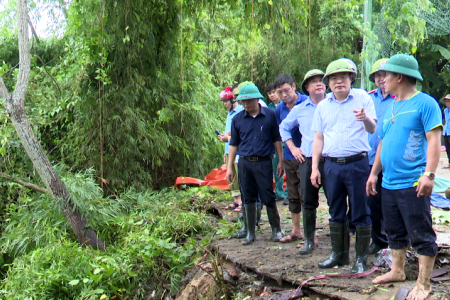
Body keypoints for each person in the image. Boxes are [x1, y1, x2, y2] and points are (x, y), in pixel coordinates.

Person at [367, 54, 442, 300]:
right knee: (394, 231)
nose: (381, 80)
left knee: (421, 233)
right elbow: (382, 143)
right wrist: (374, 173)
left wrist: (429, 175)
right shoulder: (391, 106)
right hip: (388, 182)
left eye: (385, 75)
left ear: (399, 77)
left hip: (413, 182)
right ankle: (397, 270)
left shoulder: (425, 103)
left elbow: (434, 140)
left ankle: (423, 284)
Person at [311, 58, 376, 273]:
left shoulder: (363, 98)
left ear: (351, 79)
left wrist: (365, 118)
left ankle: (361, 259)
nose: (339, 82)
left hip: (357, 164)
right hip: (331, 166)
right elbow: (318, 138)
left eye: (343, 77)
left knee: (360, 210)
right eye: (334, 78)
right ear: (328, 82)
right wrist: (314, 168)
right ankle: (339, 255)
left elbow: (372, 129)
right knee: (335, 209)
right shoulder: (323, 106)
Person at [227, 84, 284, 245]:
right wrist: (230, 167)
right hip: (245, 163)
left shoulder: (269, 115)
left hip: (264, 162)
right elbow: (233, 144)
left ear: (257, 99)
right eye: (243, 102)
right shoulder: (237, 119)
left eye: (249, 101)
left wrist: (280, 161)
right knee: (248, 196)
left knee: (268, 195)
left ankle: (276, 229)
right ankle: (250, 231)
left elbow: (276, 139)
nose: (246, 105)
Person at [279, 69, 327, 254]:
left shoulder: (333, 103)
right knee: (308, 199)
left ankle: (342, 242)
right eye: (313, 81)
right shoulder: (300, 109)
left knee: (336, 199)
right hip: (307, 158)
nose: (318, 83)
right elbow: (284, 127)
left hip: (331, 158)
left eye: (321, 80)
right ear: (306, 88)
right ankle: (309, 239)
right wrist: (292, 148)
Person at [273, 74, 308, 244]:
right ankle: (296, 230)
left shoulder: (307, 102)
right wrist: (281, 159)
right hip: (289, 156)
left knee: (308, 195)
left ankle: (311, 233)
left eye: (286, 90)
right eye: (280, 92)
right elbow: (281, 134)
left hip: (307, 156)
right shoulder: (280, 108)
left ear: (294, 87)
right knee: (292, 194)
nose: (284, 95)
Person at [366, 59, 395, 254]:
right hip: (369, 159)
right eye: (378, 75)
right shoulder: (368, 98)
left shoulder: (400, 98)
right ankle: (377, 240)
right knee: (373, 204)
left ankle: (396, 242)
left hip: (392, 160)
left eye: (385, 75)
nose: (381, 79)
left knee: (392, 204)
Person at [218, 87, 244, 212]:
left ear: (233, 100)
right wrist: (225, 151)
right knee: (231, 176)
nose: (225, 104)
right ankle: (236, 200)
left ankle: (242, 201)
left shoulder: (240, 112)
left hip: (238, 150)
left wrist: (228, 138)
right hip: (229, 148)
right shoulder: (229, 114)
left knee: (239, 175)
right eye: (223, 102)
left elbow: (241, 134)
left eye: (226, 101)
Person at [267, 83, 288, 202]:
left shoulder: (285, 105)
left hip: (287, 141)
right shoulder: (268, 108)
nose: (272, 95)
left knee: (290, 168)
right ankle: (279, 192)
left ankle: (289, 193)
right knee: (277, 168)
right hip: (275, 142)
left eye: (274, 92)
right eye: (269, 93)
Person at [441, 94, 450, 169]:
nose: (447, 103)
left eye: (448, 101)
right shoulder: (445, 110)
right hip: (446, 131)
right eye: (446, 101)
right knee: (448, 148)